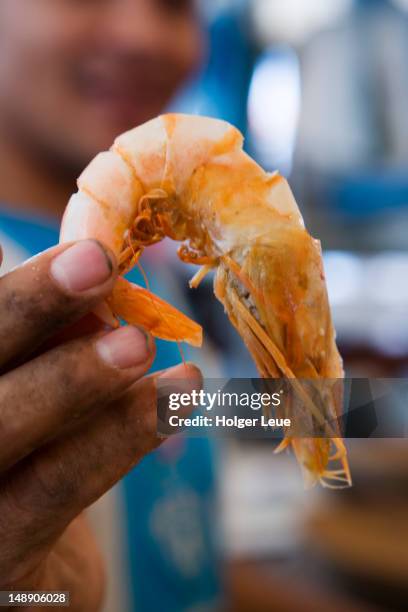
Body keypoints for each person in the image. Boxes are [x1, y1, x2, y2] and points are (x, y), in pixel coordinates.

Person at [0, 1, 220, 611]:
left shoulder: (160, 271)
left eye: (174, 4)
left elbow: (215, 425)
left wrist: (374, 410)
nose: (142, 34)